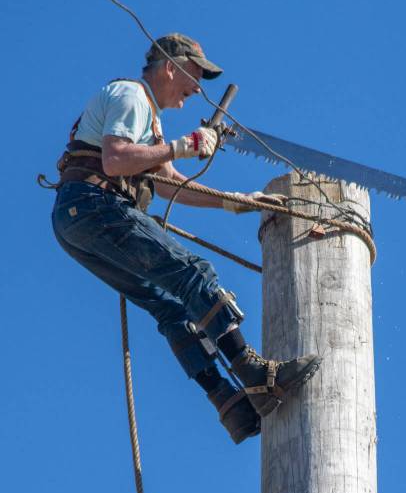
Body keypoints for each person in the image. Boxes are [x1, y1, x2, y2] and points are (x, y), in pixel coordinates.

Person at [51, 33, 321, 443]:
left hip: (76, 222)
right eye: (196, 75)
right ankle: (253, 373)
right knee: (193, 274)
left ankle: (230, 406)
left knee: (171, 309)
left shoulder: (151, 122)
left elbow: (168, 184)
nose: (198, 89)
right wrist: (183, 145)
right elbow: (115, 158)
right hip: (94, 204)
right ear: (170, 67)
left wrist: (235, 201)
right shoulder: (132, 96)